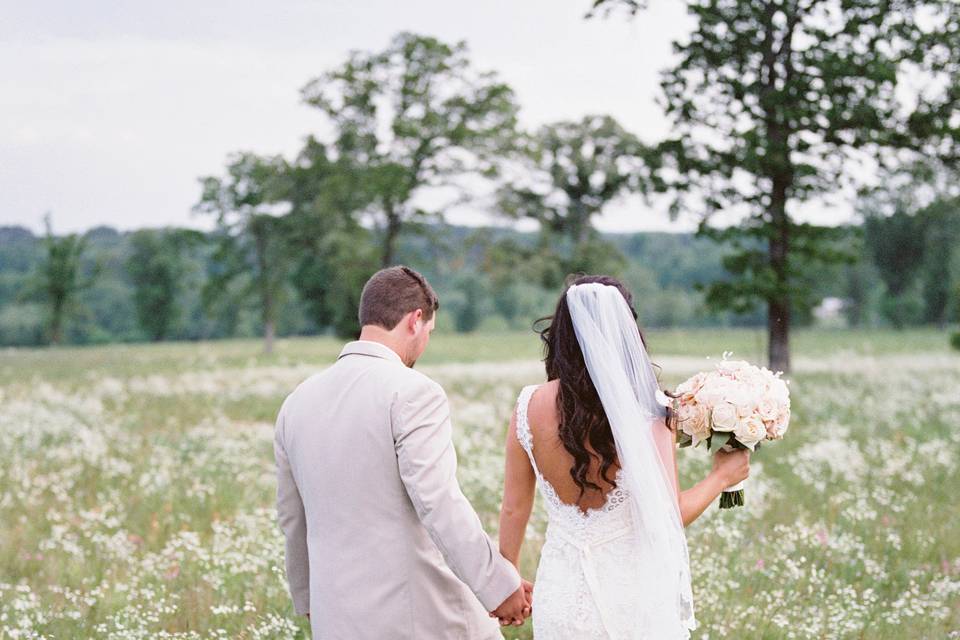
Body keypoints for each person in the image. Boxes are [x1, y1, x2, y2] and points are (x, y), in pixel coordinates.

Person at [275, 265, 532, 639]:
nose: (425, 342)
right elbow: (439, 502)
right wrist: (499, 585)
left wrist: (311, 602)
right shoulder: (413, 392)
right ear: (415, 320)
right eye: (429, 330)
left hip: (336, 619)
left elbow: (292, 519)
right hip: (418, 615)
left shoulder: (296, 403)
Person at [497, 275, 751, 638]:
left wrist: (506, 580)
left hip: (563, 592)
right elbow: (670, 515)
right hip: (633, 597)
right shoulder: (650, 411)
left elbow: (513, 508)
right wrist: (722, 477)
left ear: (563, 336)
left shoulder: (528, 405)